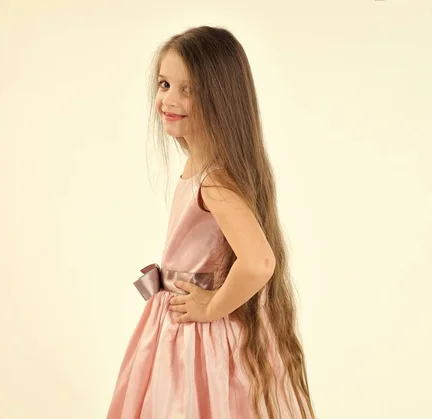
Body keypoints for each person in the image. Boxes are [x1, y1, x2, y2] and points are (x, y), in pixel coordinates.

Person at [107, 26, 315, 419]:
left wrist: (212, 306)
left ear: (221, 99)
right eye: (165, 84)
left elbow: (258, 262)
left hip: (196, 336)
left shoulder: (214, 179)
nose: (168, 99)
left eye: (189, 90)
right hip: (182, 325)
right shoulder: (200, 167)